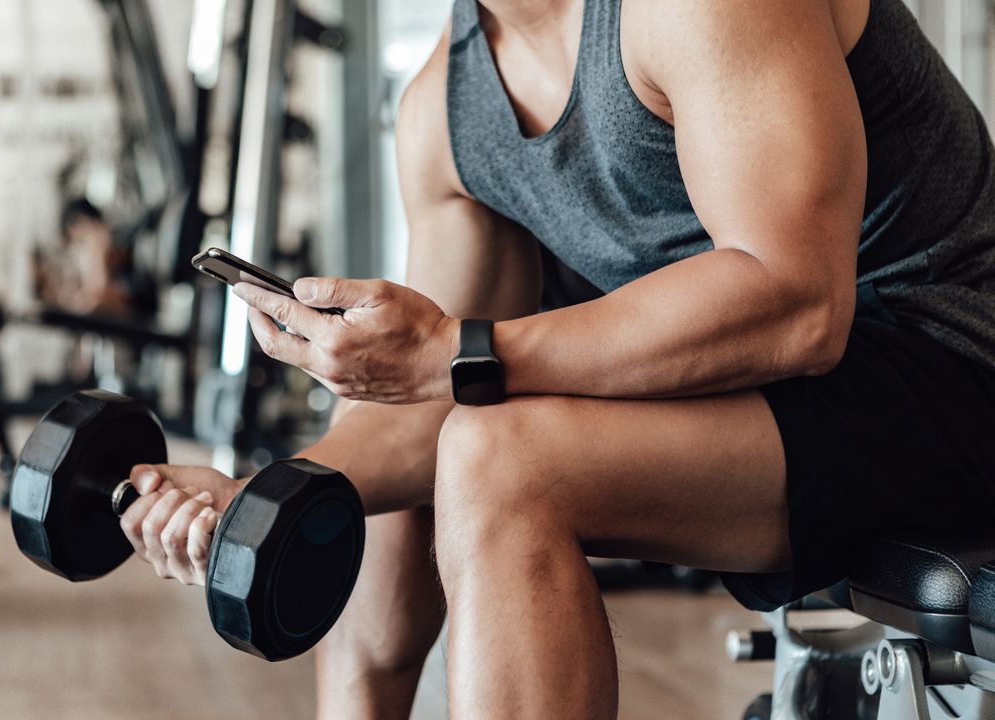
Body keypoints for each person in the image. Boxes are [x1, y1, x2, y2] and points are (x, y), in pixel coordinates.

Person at [117, 0, 995, 717]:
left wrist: (450, 354)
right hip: (775, 393)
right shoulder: (446, 106)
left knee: (498, 458)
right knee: (406, 474)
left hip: (947, 364)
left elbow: (798, 303)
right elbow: (425, 393)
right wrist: (271, 491)